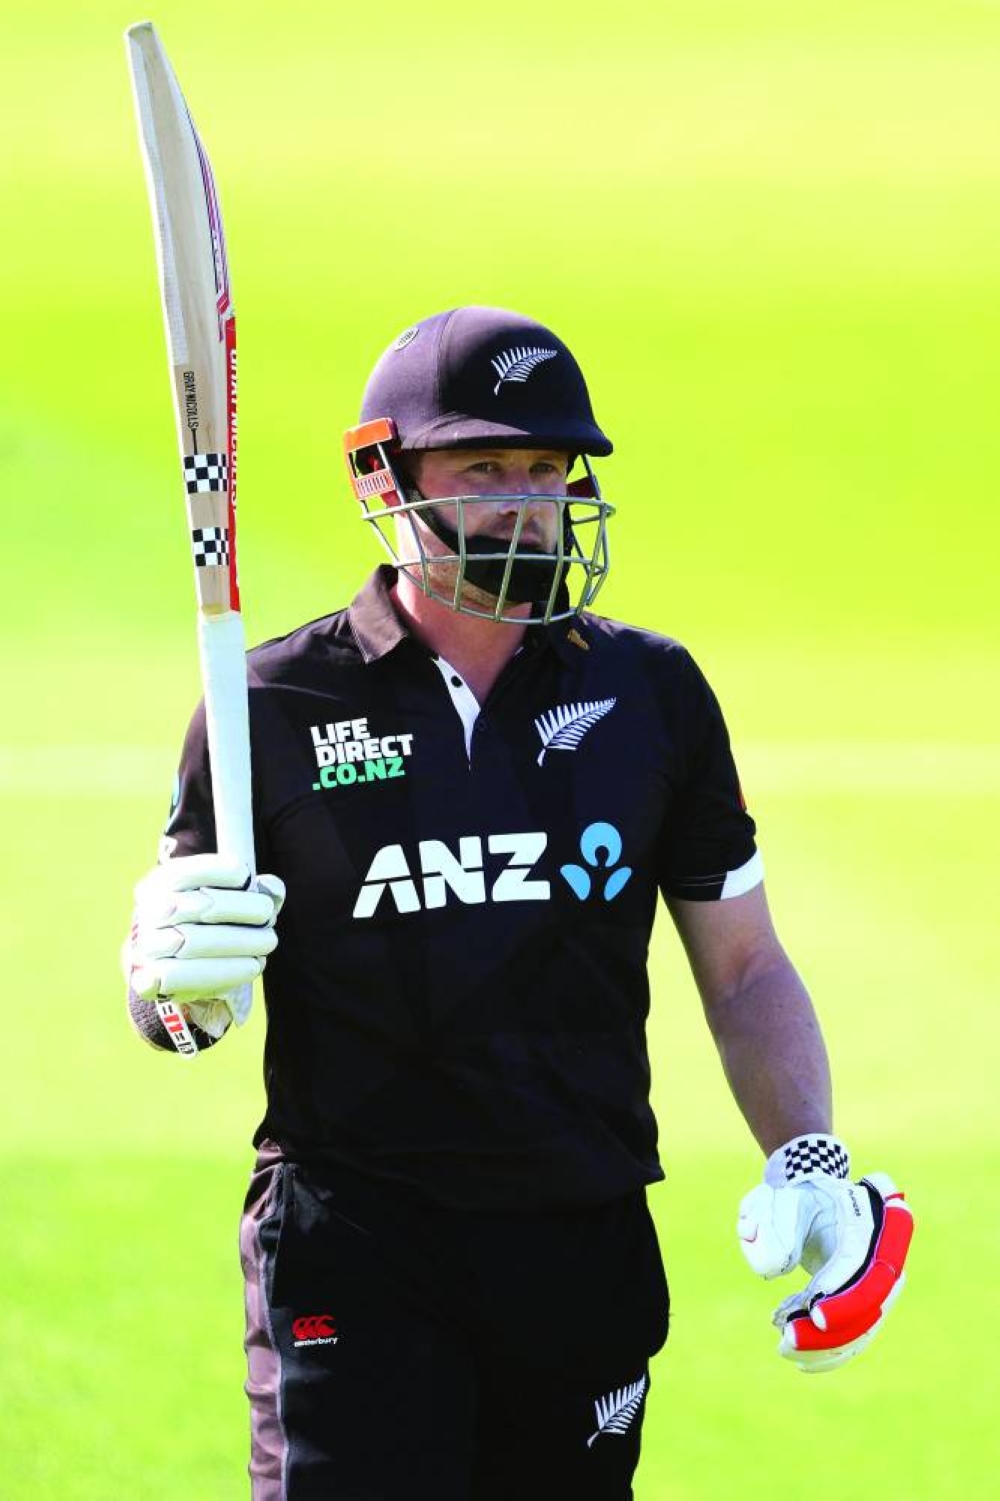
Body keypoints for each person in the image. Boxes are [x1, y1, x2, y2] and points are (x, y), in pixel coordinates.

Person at [124, 306, 912, 1500]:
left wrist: (803, 1151)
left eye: (547, 469)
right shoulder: (267, 708)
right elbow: (182, 1006)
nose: (527, 502)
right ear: (385, 478)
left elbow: (744, 965)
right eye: (485, 469)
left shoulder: (651, 692)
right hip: (354, 1248)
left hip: (580, 1237)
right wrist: (173, 991)